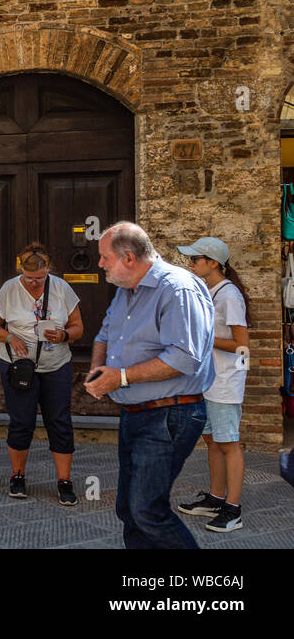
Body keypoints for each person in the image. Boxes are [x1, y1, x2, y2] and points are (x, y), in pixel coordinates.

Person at [84, 221, 214, 549]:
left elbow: (185, 358)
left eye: (104, 258)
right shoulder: (126, 291)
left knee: (147, 509)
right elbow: (104, 333)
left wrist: (122, 376)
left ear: (129, 258)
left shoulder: (177, 288)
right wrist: (100, 369)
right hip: (136, 413)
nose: (99, 264)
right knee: (129, 508)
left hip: (170, 415)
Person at [0, 242, 85, 504]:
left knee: (60, 422)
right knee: (21, 421)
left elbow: (78, 328)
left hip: (56, 365)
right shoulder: (9, 289)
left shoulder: (62, 288)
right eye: (29, 278)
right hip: (19, 367)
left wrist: (63, 335)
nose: (34, 284)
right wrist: (9, 337)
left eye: (39, 278)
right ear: (21, 272)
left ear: (48, 270)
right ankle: (17, 476)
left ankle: (64, 481)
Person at [175, 236, 249, 533]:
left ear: (214, 263)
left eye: (195, 259)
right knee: (212, 441)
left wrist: (202, 339)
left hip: (224, 381)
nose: (190, 264)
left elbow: (242, 344)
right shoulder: (209, 290)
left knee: (228, 443)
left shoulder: (229, 295)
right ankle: (216, 498)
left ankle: (233, 510)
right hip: (207, 379)